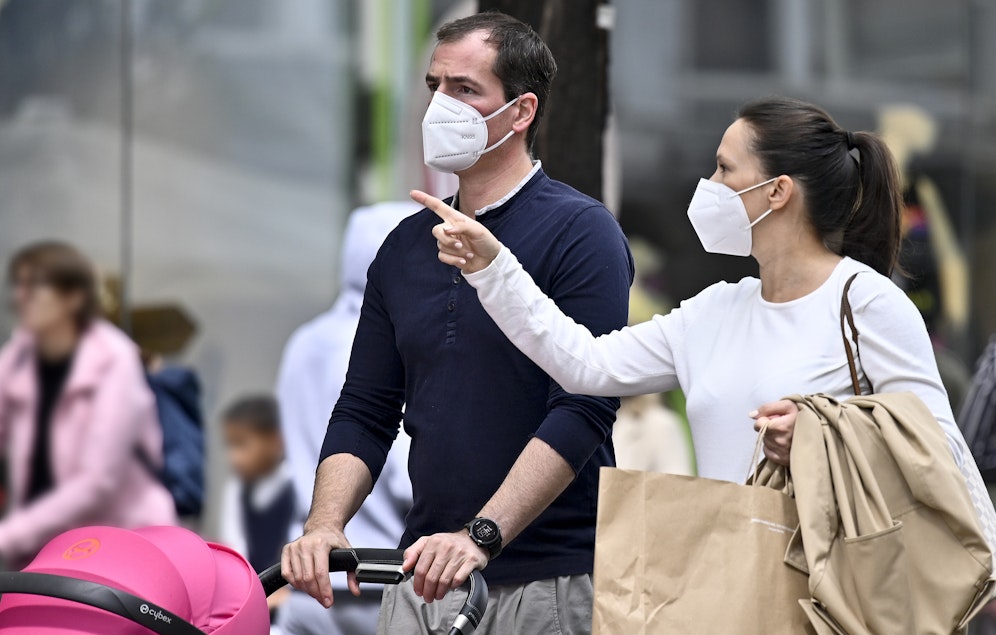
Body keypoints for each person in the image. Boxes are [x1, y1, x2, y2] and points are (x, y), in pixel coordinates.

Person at [420, 97, 995, 542]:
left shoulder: (867, 303)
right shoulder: (718, 309)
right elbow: (585, 364)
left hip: (839, 596)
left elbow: (939, 452)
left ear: (778, 192)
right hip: (734, 586)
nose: (709, 186)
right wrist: (494, 266)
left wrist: (822, 434)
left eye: (724, 168)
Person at [283, 11, 634, 634]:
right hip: (422, 576)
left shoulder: (583, 233)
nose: (441, 106)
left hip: (547, 582)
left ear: (521, 112)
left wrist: (481, 535)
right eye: (435, 86)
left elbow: (583, 408)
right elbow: (366, 407)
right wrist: (324, 525)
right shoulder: (402, 246)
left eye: (465, 89)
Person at [275, 203, 416, 635]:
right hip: (380, 578)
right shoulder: (391, 345)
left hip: (312, 575)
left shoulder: (303, 342)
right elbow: (406, 479)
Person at [0, 241, 176, 567]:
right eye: (19, 285)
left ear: (74, 298)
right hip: (40, 551)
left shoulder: (113, 359)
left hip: (118, 549)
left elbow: (97, 483)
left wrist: (9, 535)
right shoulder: (19, 354)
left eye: (35, 287)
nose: (20, 297)